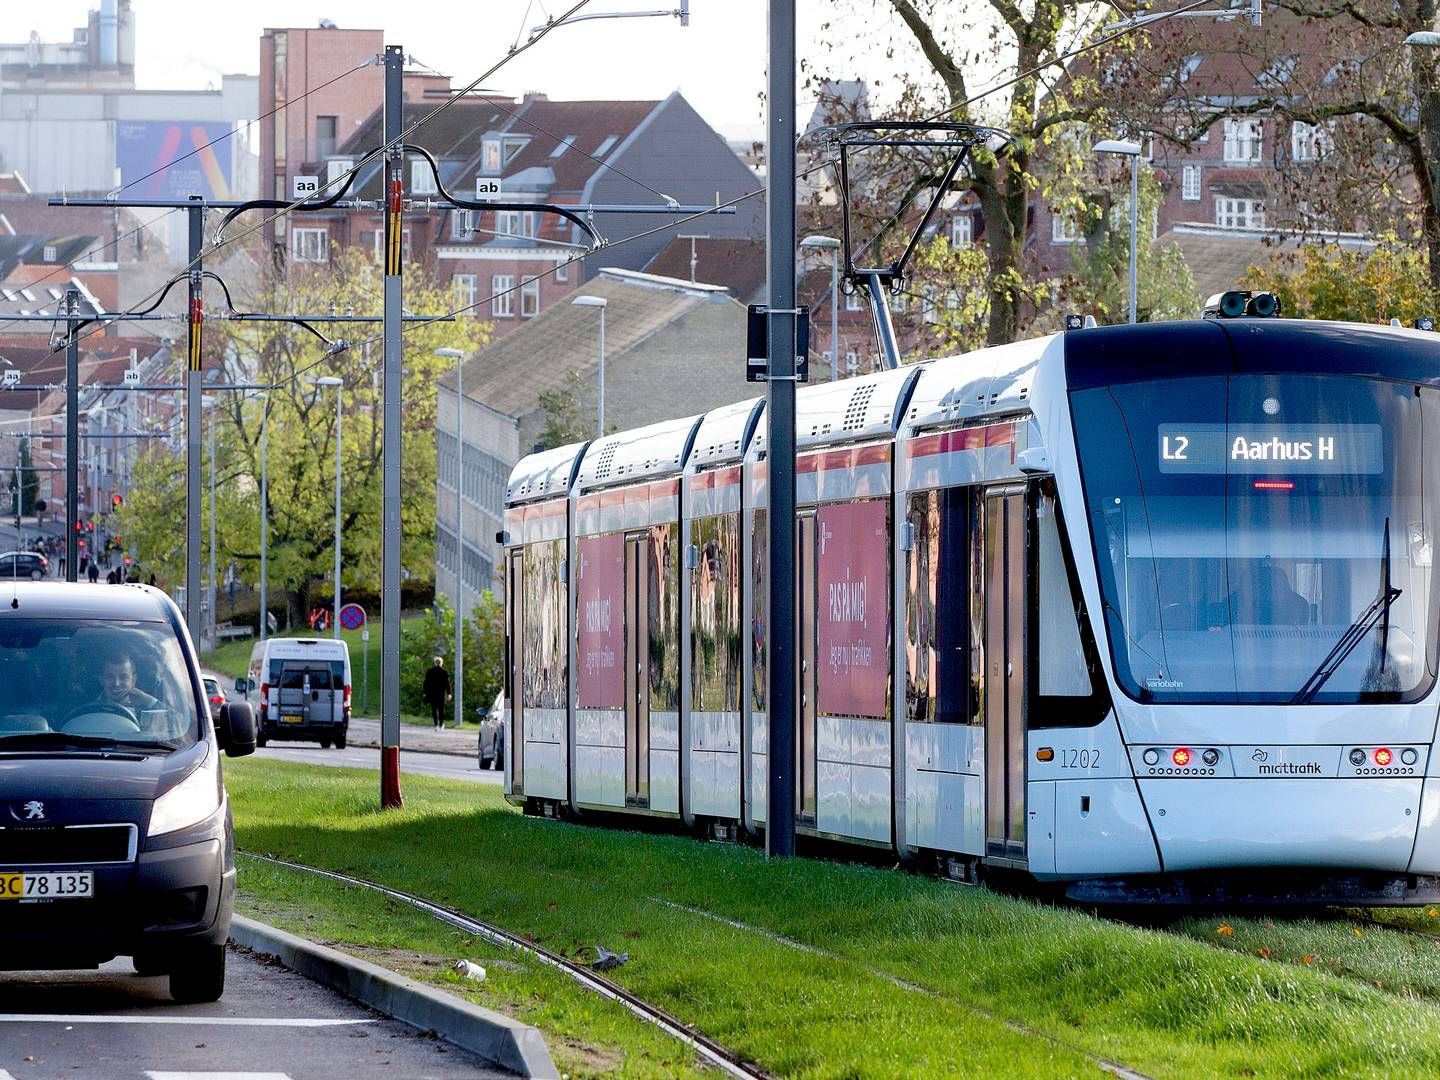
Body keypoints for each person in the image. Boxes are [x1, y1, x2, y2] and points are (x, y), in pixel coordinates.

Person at [96, 652, 159, 721]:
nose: (116, 684)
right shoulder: (89, 710)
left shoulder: (145, 712)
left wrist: (149, 701)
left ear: (133, 680)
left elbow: (172, 720)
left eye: (123, 677)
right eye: (110, 677)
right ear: (101, 680)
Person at [423, 655, 451, 730]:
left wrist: (425, 692)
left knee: (434, 709)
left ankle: (436, 725)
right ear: (441, 663)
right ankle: (441, 725)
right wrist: (449, 693)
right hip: (441, 694)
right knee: (441, 710)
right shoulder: (444, 672)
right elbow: (447, 684)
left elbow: (426, 683)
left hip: (432, 694)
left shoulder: (430, 671)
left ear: (435, 663)